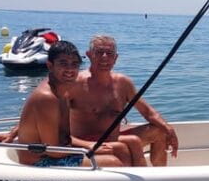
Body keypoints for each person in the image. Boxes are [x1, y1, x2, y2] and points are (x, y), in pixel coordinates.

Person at [14, 40, 130, 168]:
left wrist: (89, 145)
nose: (70, 69)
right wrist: (87, 149)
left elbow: (64, 137)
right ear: (50, 65)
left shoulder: (63, 91)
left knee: (120, 148)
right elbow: (53, 151)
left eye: (74, 64)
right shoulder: (47, 97)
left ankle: (140, 179)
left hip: (57, 153)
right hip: (40, 161)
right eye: (63, 63)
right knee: (113, 162)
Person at [68, 35, 178, 166]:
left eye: (109, 53)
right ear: (89, 55)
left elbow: (148, 112)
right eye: (99, 52)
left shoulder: (123, 83)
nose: (104, 57)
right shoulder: (75, 84)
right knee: (128, 145)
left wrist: (169, 129)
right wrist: (88, 145)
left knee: (159, 131)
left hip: (114, 139)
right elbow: (57, 129)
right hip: (86, 144)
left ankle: (160, 174)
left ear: (115, 58)